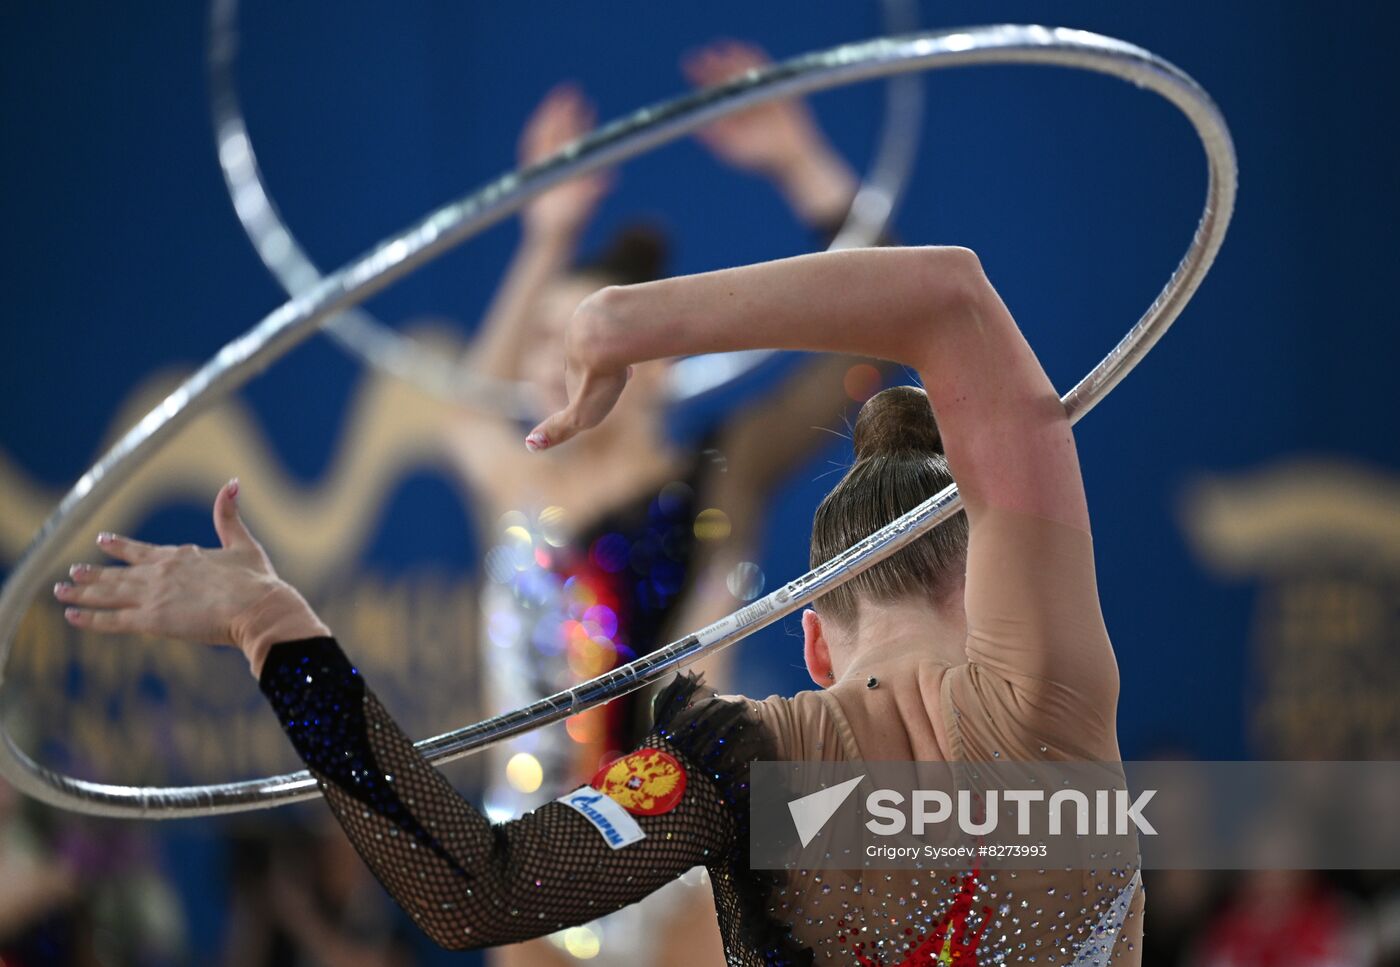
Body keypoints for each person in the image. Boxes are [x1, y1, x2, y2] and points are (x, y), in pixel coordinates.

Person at [56, 239, 1144, 963]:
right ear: (997, 582)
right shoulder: (1055, 719)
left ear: (810, 640)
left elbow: (471, 890)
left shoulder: (742, 768)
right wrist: (643, 319)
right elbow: (952, 299)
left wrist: (279, 636)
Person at [445, 42, 884, 966]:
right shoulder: (515, 480)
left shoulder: (721, 474)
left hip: (684, 833)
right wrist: (542, 238)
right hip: (534, 844)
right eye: (539, 341)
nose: (548, 364)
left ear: (656, 361)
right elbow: (461, 409)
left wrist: (803, 166)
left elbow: (874, 330)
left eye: (579, 340)